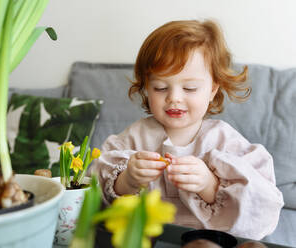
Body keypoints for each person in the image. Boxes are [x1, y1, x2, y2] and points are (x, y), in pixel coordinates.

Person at [90, 20, 284, 240]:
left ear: (212, 89)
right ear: (146, 88)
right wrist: (127, 180)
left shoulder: (224, 141)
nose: (174, 98)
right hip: (145, 238)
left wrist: (209, 185)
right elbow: (93, 189)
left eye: (190, 88)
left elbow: (261, 208)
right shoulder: (135, 138)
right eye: (160, 87)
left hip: (206, 240)